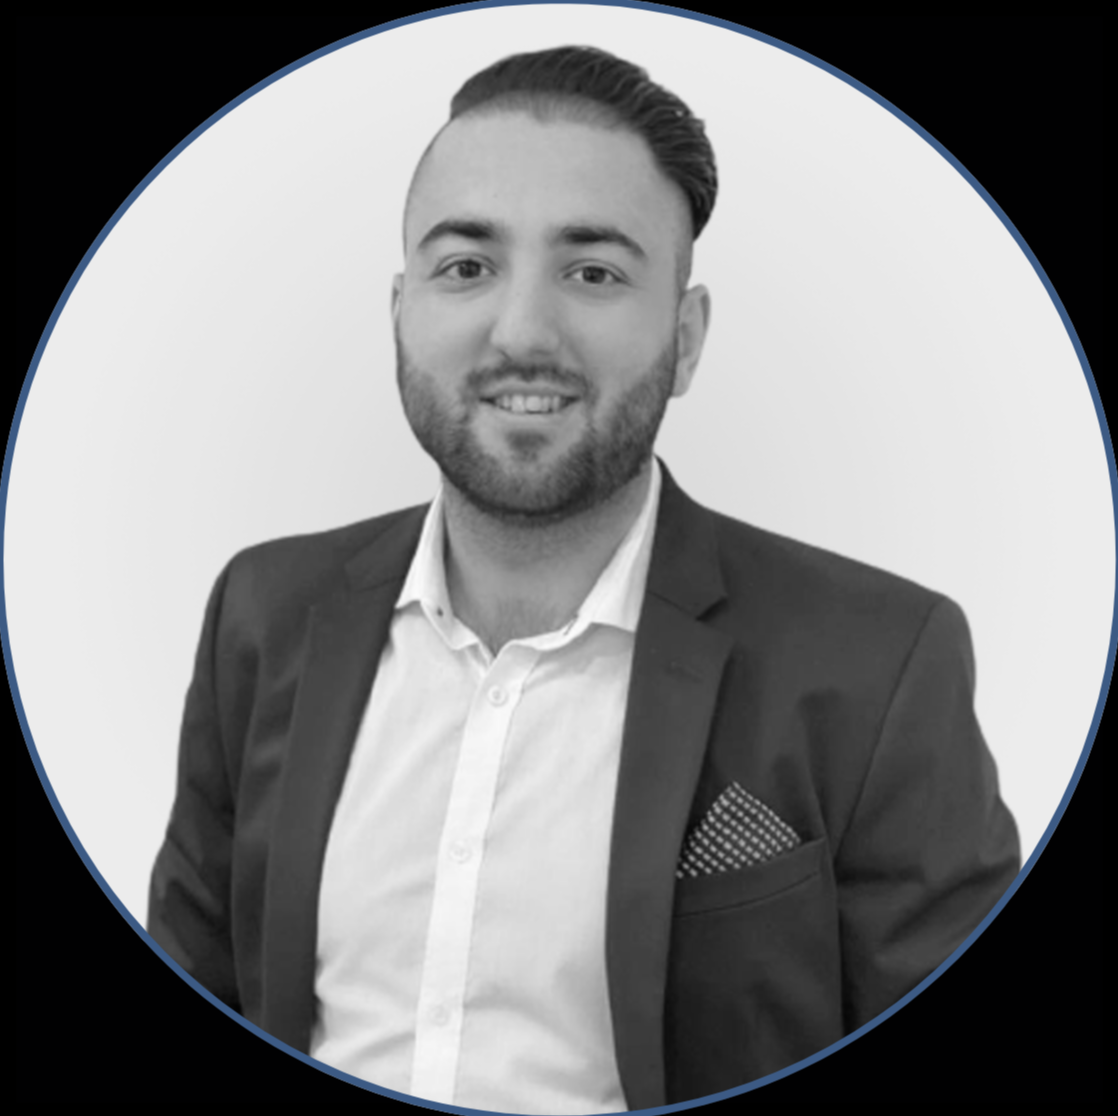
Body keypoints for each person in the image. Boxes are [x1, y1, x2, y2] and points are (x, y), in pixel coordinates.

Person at [148, 45, 1020, 1113]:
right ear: (398, 311)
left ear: (685, 339)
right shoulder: (263, 613)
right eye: (466, 266)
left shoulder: (878, 662)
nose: (520, 331)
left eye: (592, 272)